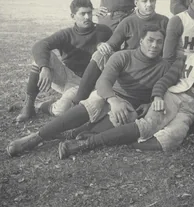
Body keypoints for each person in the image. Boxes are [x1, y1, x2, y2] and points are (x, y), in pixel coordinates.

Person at [7, 26, 171, 158]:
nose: (154, 45)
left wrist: (149, 103)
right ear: (141, 41)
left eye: (159, 42)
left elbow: (164, 89)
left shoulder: (163, 67)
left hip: (129, 106)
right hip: (109, 95)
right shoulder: (124, 56)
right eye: (150, 40)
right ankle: (36, 137)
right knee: (94, 101)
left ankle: (72, 134)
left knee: (99, 127)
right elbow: (103, 82)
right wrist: (114, 100)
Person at [15, 0, 112, 122]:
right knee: (41, 58)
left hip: (89, 82)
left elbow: (117, 51)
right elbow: (40, 45)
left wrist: (105, 46)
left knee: (61, 111)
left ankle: (40, 105)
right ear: (73, 16)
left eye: (89, 13)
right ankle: (28, 106)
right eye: (82, 14)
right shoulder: (66, 34)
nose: (87, 17)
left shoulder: (103, 31)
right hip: (67, 76)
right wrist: (44, 67)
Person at [72, 0, 169, 104]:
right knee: (100, 55)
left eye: (152, 0)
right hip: (130, 64)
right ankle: (79, 99)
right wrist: (102, 46)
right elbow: (112, 43)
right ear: (136, 3)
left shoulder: (164, 21)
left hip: (153, 65)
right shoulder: (128, 21)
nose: (149, 4)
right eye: (144, 1)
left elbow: (170, 49)